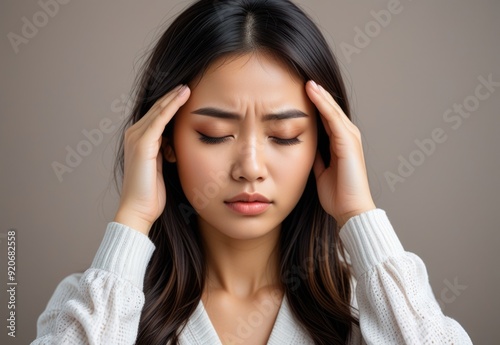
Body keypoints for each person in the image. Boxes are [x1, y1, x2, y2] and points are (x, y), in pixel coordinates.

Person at [32, 0, 473, 344]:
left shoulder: (365, 306)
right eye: (213, 134)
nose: (250, 169)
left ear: (325, 143)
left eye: (283, 136)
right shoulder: (100, 303)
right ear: (163, 141)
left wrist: (360, 215)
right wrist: (132, 218)